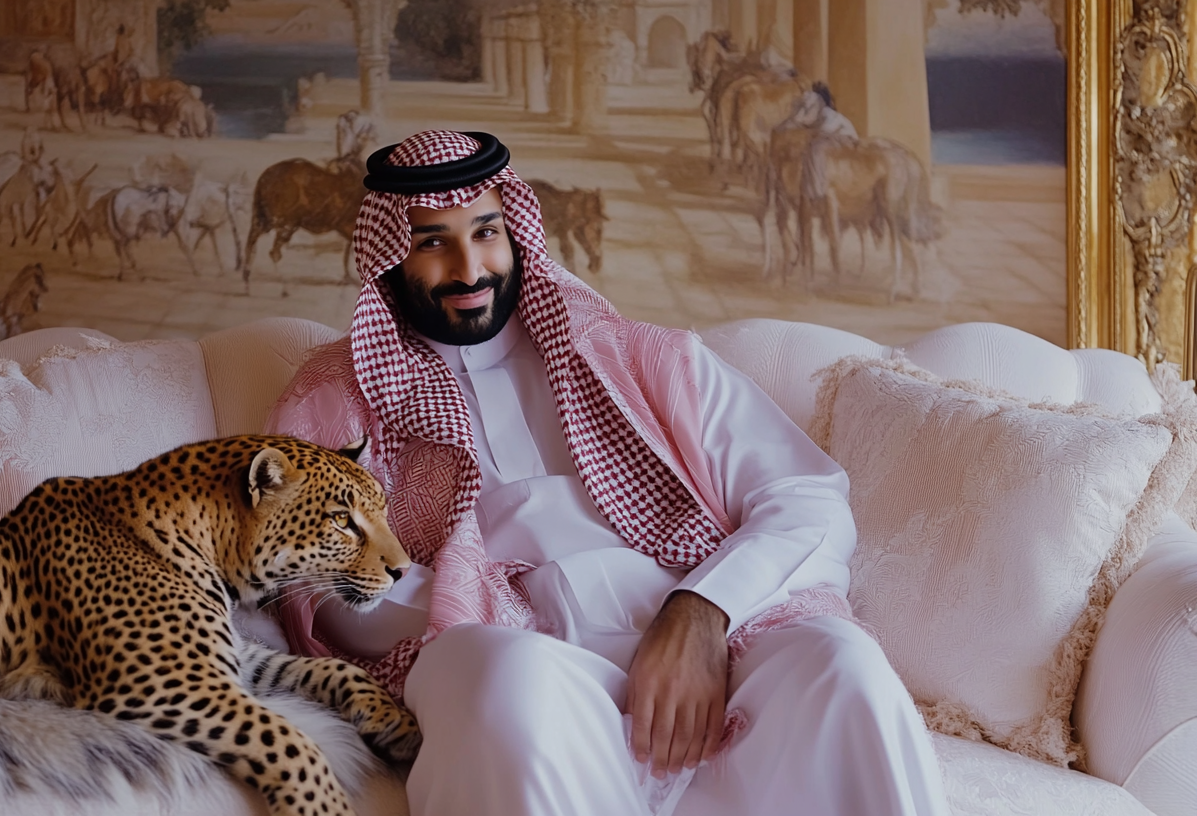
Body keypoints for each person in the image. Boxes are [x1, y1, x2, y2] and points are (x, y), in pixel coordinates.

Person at [265, 130, 948, 816]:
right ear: (389, 254)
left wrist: (704, 610)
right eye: (433, 242)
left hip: (709, 630)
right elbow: (312, 585)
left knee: (843, 667)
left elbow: (806, 498)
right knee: (505, 680)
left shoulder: (643, 360)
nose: (470, 268)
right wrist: (488, 606)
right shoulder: (336, 399)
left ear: (517, 232)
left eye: (486, 233)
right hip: (512, 651)